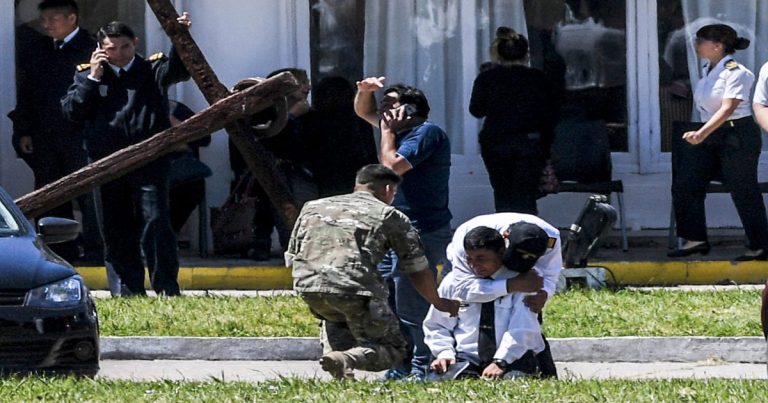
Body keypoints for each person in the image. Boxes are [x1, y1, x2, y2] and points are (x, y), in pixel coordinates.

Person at [286, 164, 459, 380]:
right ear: (387, 189)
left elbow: (292, 255)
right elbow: (417, 268)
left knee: (338, 322)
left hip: (307, 286)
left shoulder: (312, 207)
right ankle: (347, 360)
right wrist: (439, 302)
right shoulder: (388, 215)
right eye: (393, 193)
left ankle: (339, 364)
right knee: (393, 349)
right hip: (354, 289)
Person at [61, 14, 193, 296]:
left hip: (149, 161)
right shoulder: (88, 74)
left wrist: (179, 35)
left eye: (124, 47)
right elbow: (72, 111)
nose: (118, 54)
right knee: (115, 227)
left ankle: (167, 288)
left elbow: (181, 70)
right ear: (100, 50)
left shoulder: (152, 69)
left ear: (135, 43)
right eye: (111, 49)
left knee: (156, 222)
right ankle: (127, 291)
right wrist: (94, 78)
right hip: (106, 165)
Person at [355, 77, 453, 380]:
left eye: (389, 104)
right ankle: (400, 365)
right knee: (391, 301)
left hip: (422, 229)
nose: (382, 110)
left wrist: (386, 131)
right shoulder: (399, 131)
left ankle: (422, 367)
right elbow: (362, 112)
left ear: (409, 110)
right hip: (393, 229)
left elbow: (390, 167)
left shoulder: (427, 134)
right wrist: (363, 92)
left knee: (412, 303)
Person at [11, 0, 102, 263]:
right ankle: (58, 252)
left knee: (89, 195)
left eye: (53, 19)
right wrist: (24, 129)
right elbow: (28, 93)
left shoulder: (90, 48)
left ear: (71, 18)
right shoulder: (39, 49)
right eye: (43, 19)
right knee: (50, 195)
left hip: (82, 135)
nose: (46, 24)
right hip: (46, 135)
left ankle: (96, 252)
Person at [669, 24, 768, 261]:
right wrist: (703, 134)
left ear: (717, 46)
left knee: (743, 189)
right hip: (709, 133)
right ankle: (695, 239)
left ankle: (760, 244)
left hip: (736, 135)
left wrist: (701, 133)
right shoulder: (707, 69)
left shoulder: (737, 71)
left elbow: (728, 108)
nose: (696, 45)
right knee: (686, 182)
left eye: (701, 41)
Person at [445, 212, 563, 378]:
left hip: (524, 296)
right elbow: (463, 289)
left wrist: (543, 294)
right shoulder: (467, 238)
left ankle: (534, 361)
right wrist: (511, 284)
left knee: (526, 318)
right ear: (504, 239)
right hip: (471, 294)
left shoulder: (551, 238)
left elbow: (550, 274)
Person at [424, 226, 547, 380]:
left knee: (516, 382)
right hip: (467, 356)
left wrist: (501, 361)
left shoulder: (523, 281)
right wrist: (444, 352)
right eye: (469, 258)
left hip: (512, 356)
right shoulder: (455, 282)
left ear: (501, 253)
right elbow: (437, 324)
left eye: (481, 258)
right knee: (441, 380)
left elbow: (522, 328)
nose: (474, 265)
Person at [468, 27, 560, 215]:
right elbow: (551, 114)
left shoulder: (488, 78)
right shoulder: (538, 78)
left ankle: (504, 237)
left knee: (503, 193)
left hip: (496, 142)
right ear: (526, 54)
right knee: (525, 196)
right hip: (530, 142)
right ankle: (528, 238)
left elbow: (476, 110)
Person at [228, 67, 316, 260]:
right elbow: (266, 137)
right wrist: (291, 116)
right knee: (268, 207)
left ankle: (292, 248)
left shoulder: (306, 111)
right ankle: (263, 245)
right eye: (301, 82)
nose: (307, 87)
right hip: (263, 171)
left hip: (293, 170)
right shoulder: (262, 109)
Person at [303, 76, 377, 198]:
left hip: (323, 175)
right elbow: (369, 150)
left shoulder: (312, 119)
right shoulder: (358, 118)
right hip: (353, 173)